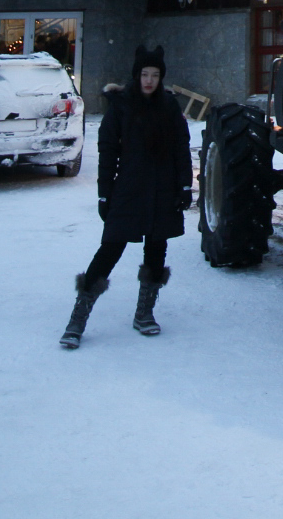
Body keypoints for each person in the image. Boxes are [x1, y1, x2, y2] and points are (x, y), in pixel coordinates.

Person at [60, 45, 193, 348]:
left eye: (155, 75)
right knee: (110, 249)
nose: (149, 80)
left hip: (163, 190)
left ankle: (144, 313)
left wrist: (184, 186)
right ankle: (77, 319)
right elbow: (108, 152)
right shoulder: (121, 106)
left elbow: (181, 149)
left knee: (156, 250)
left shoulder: (169, 106)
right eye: (145, 74)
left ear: (161, 78)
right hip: (129, 190)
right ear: (136, 75)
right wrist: (105, 195)